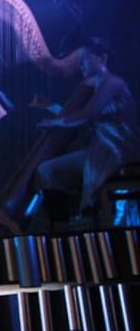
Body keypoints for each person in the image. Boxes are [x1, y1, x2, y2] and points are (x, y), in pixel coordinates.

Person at [32, 37, 140, 227]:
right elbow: (79, 116)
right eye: (79, 61)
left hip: (119, 149)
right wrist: (50, 106)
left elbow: (88, 114)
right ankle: (60, 224)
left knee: (50, 170)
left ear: (102, 58)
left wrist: (54, 122)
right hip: (100, 149)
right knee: (46, 171)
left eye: (84, 59)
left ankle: (88, 218)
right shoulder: (97, 86)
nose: (80, 65)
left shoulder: (112, 82)